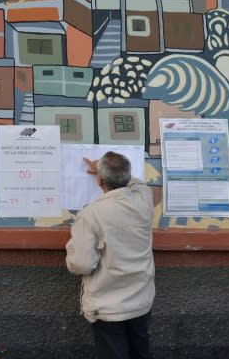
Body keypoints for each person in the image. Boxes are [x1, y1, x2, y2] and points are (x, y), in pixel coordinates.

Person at [65, 152, 155, 359]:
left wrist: (71, 248)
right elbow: (138, 184)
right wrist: (112, 170)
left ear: (99, 181)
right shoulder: (143, 199)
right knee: (140, 350)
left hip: (109, 308)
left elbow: (81, 264)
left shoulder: (91, 214)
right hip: (141, 301)